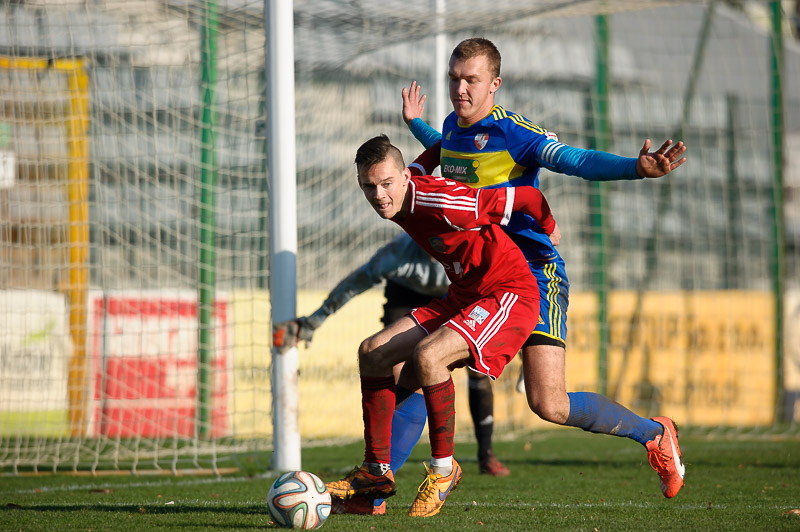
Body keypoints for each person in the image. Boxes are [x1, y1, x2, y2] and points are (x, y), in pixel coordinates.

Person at [393, 37, 687, 499]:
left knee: (548, 403)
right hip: (483, 277)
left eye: (471, 80)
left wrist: (635, 168)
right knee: (418, 365)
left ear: (495, 84)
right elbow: (449, 147)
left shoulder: (517, 134)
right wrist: (417, 126)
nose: (460, 89)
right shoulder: (453, 125)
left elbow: (576, 160)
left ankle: (653, 433)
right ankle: (378, 483)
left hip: (533, 274)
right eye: (454, 79)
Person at [324, 134, 560, 518]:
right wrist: (422, 125)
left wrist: (549, 227)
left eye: (386, 184)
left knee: (428, 357)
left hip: (508, 293)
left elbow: (528, 199)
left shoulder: (447, 203)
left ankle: (443, 471)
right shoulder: (404, 184)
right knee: (372, 352)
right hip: (464, 294)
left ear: (402, 179)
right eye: (369, 186)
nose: (379, 195)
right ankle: (375, 476)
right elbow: (425, 159)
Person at [272, 232, 511, 517]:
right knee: (397, 367)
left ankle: (485, 454)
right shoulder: (399, 252)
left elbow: (508, 290)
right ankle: (375, 489)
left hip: (460, 297)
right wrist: (314, 321)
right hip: (406, 295)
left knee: (469, 371)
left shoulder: (473, 246)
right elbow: (356, 282)